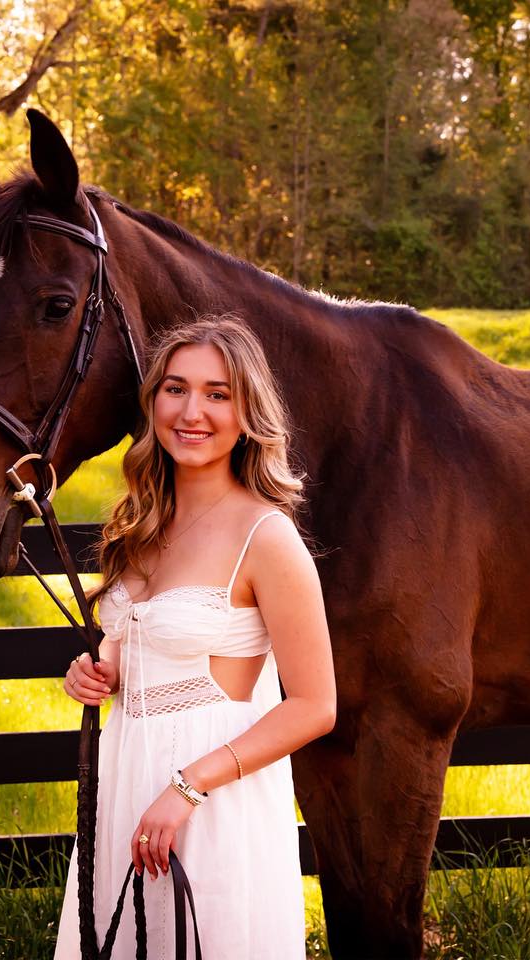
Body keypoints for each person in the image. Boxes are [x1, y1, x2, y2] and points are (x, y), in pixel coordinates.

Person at [52, 316, 337, 959]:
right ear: (153, 400)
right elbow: (134, 651)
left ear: (247, 414)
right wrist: (99, 671)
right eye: (175, 388)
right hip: (126, 786)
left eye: (217, 393)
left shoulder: (267, 537)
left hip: (211, 800)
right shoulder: (138, 526)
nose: (192, 411)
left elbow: (316, 707)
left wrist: (188, 789)